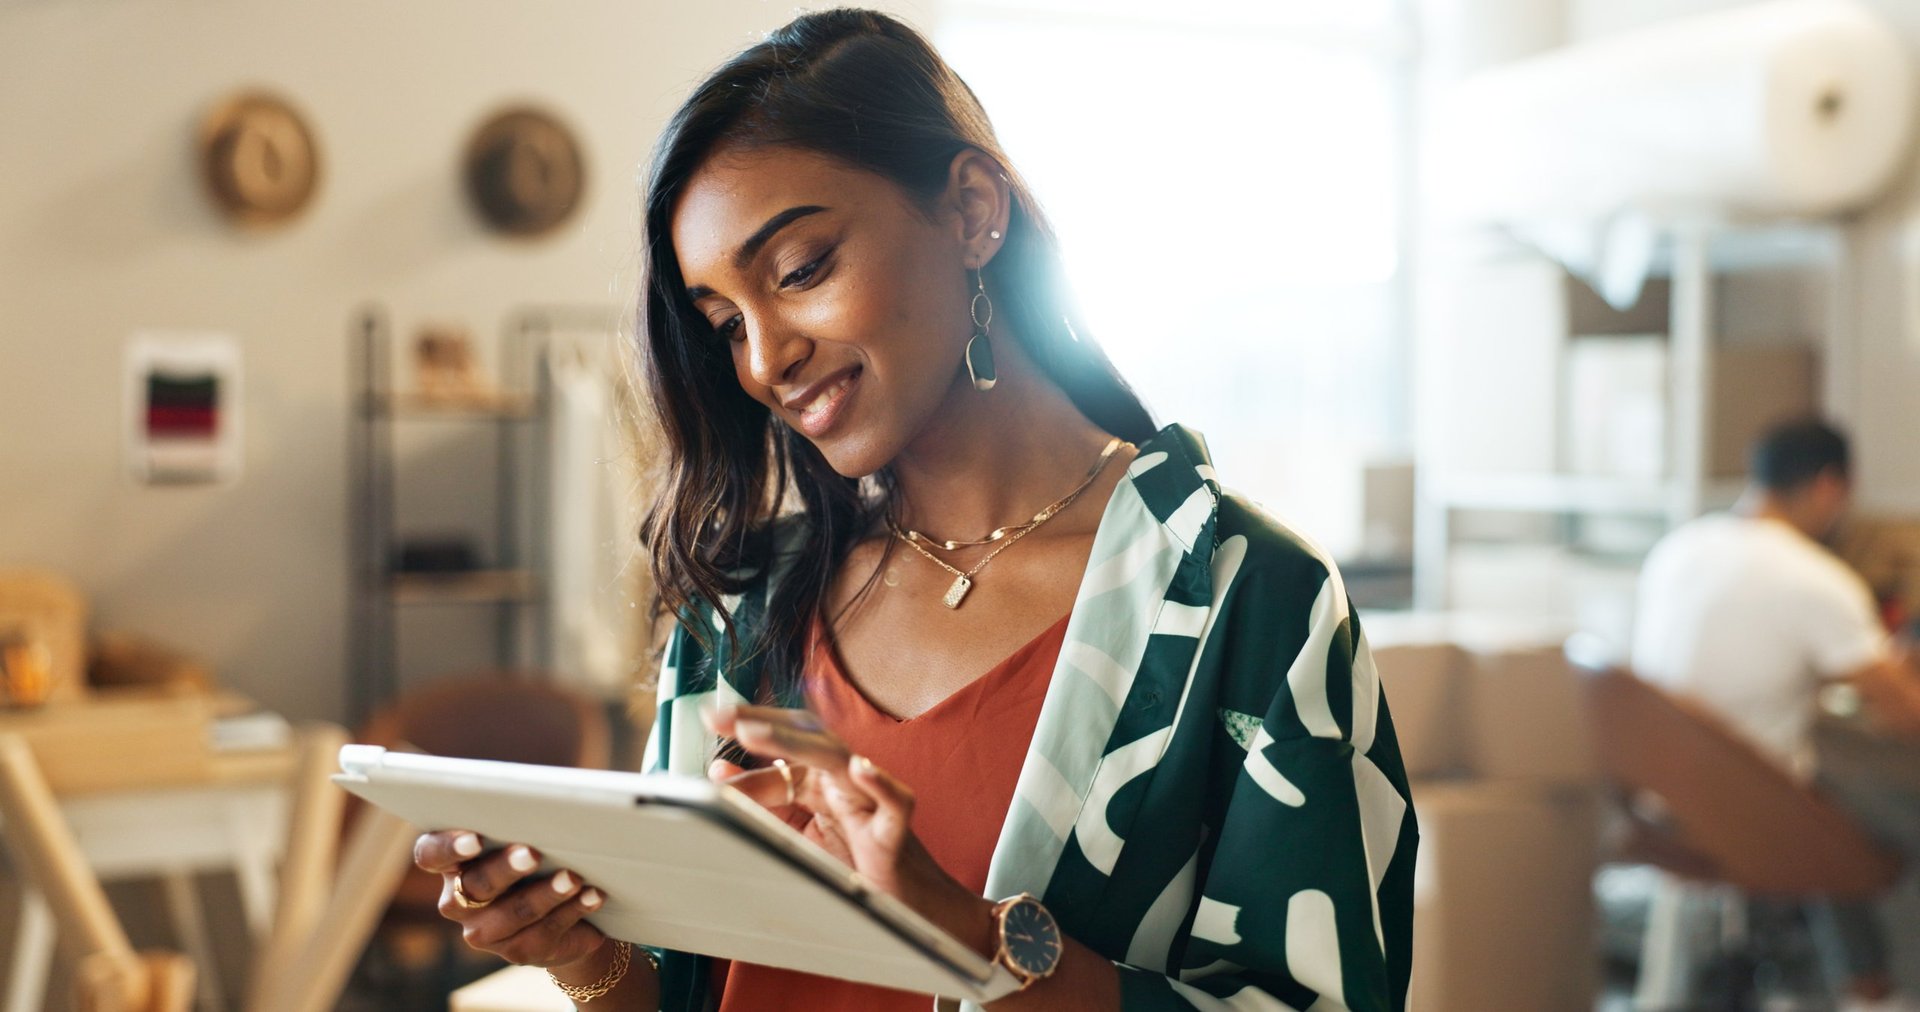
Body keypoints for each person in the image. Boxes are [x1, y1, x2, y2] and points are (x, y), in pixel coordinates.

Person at [412, 9, 1417, 1010]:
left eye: (800, 270)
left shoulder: (1250, 601)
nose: (764, 361)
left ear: (972, 210)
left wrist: (967, 935)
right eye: (724, 324)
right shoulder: (743, 610)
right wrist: (578, 953)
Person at [1633, 417, 1920, 1010]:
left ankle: (1864, 984)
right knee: (1881, 811)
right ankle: (1878, 990)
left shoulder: (1680, 549)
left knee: (1836, 793)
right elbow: (1906, 715)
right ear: (1828, 486)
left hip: (1663, 801)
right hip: (1754, 813)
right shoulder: (1815, 579)